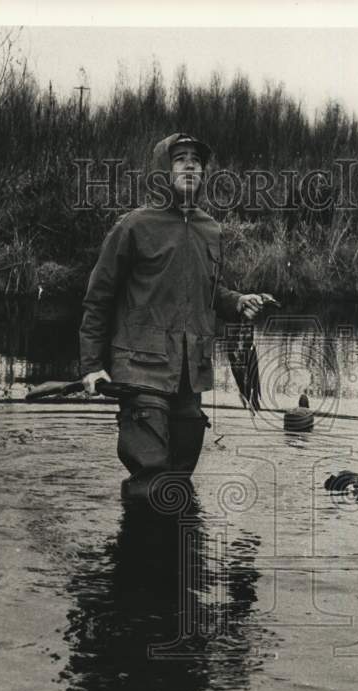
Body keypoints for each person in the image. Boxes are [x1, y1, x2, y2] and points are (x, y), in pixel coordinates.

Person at [79, 132, 265, 502]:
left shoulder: (210, 229)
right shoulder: (133, 227)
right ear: (163, 170)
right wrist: (91, 364)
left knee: (179, 477)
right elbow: (99, 298)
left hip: (190, 373)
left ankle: (177, 556)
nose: (191, 165)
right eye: (180, 159)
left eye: (196, 160)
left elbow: (206, 292)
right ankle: (139, 556)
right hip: (140, 367)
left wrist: (236, 301)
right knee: (150, 476)